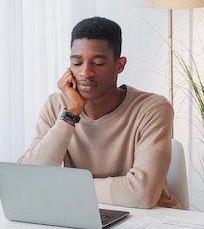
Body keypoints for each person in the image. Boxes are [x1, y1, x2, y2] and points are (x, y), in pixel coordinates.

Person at [18, 16, 181, 209]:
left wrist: (62, 186)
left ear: (119, 65)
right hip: (84, 218)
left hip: (151, 224)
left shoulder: (152, 109)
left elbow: (142, 195)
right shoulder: (57, 106)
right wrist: (70, 115)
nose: (86, 73)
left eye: (98, 63)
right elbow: (28, 179)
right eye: (77, 62)